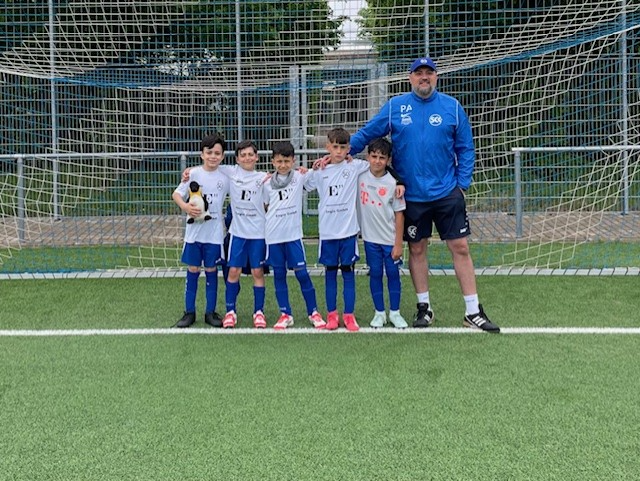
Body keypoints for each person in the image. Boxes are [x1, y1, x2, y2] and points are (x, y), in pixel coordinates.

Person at [349, 57, 500, 333]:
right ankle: (424, 307)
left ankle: (473, 311)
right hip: (411, 195)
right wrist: (341, 154)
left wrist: (462, 184)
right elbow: (368, 133)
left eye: (428, 72)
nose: (423, 77)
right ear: (410, 78)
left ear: (436, 77)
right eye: (418, 73)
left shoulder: (452, 107)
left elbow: (466, 147)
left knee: (460, 247)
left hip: (446, 192)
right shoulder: (396, 106)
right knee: (417, 249)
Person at [305, 127, 371, 331]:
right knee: (330, 273)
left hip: (348, 233)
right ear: (328, 147)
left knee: (348, 272)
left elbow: (378, 164)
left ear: (349, 148)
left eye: (343, 147)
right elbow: (303, 183)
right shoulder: (319, 171)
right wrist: (313, 166)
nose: (339, 151)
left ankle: (349, 315)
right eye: (335, 147)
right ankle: (332, 314)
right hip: (328, 233)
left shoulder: (355, 166)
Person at [262, 141, 326, 330]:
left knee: (302, 274)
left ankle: (313, 312)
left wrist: (318, 164)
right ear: (273, 162)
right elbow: (265, 206)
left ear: (293, 161)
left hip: (293, 236)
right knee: (279, 274)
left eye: (286, 161)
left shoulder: (299, 177)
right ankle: (285, 314)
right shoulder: (266, 183)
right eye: (279, 161)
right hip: (274, 236)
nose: (283, 165)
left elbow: (318, 171)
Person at [172, 133, 230, 328]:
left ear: (223, 156)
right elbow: (176, 194)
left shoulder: (226, 176)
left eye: (217, 153)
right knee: (193, 269)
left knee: (212, 269)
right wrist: (186, 207)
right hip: (194, 234)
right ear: (202, 154)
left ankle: (210, 312)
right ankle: (189, 312)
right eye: (209, 152)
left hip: (214, 234)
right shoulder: (193, 174)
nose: (213, 156)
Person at [218, 140, 269, 329]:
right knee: (233, 271)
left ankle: (259, 312)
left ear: (257, 157)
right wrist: (190, 171)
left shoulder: (264, 178)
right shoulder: (231, 173)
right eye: (243, 155)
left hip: (258, 234)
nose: (247, 158)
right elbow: (209, 166)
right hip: (238, 234)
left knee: (257, 272)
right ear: (237, 159)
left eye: (250, 154)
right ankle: (230, 312)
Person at [357, 138, 408, 329]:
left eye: (382, 157)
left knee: (393, 274)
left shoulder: (393, 184)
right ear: (367, 157)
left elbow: (399, 215)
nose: (377, 161)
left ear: (388, 160)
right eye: (374, 156)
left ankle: (395, 312)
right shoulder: (360, 176)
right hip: (370, 239)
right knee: (375, 274)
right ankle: (379, 312)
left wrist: (398, 244)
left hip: (389, 239)